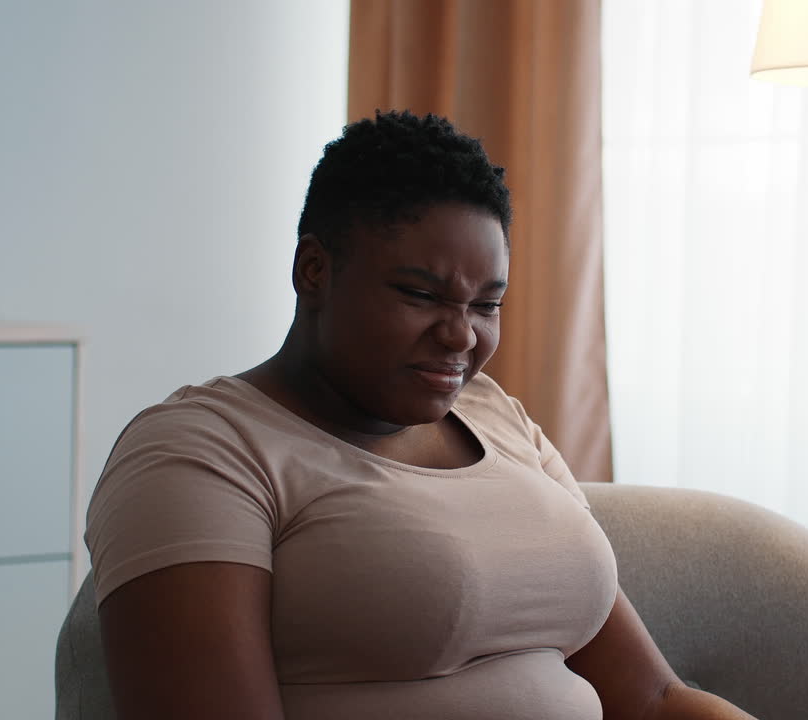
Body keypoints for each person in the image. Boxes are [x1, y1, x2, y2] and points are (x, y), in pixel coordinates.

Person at [86, 110, 756, 720]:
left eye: (487, 305)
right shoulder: (201, 452)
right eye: (420, 293)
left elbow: (653, 700)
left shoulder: (497, 417)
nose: (461, 336)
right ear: (314, 270)